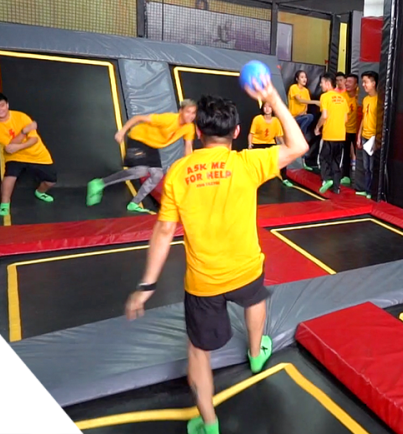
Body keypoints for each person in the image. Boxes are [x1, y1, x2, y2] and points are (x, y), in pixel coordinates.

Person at [124, 80, 308, 434]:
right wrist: (272, 97)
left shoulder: (179, 173)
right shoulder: (247, 162)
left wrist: (146, 286)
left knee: (198, 352)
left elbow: (163, 231)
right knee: (256, 298)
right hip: (246, 268)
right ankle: (256, 353)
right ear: (237, 132)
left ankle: (209, 424)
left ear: (197, 131)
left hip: (204, 282)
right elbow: (299, 145)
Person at [86, 99, 197, 213]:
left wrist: (188, 165)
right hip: (139, 138)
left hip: (153, 145)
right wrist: (122, 131)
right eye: (188, 112)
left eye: (193, 113)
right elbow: (138, 118)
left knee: (157, 175)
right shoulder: (167, 119)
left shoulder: (189, 127)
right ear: (180, 111)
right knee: (140, 171)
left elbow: (188, 146)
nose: (191, 116)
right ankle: (100, 183)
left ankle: (134, 203)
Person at [0, 91, 57, 217]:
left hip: (37, 154)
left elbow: (34, 140)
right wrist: (24, 131)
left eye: (2, 105)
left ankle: (40, 192)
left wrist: (17, 147)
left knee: (51, 181)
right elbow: (9, 146)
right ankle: (5, 204)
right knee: (10, 176)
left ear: (7, 105)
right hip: (15, 157)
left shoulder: (21, 116)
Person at [314, 72, 348, 194]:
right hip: (340, 136)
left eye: (322, 83)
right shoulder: (343, 99)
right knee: (336, 161)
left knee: (323, 158)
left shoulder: (325, 97)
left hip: (329, 135)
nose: (320, 85)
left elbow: (324, 116)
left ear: (328, 83)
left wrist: (317, 127)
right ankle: (336, 187)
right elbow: (346, 119)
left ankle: (327, 179)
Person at [248, 101, 293, 186]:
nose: (267, 109)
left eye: (269, 107)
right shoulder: (257, 119)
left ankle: (284, 178)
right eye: (265, 107)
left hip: (270, 143)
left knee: (282, 156)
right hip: (258, 143)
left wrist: (284, 145)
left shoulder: (276, 121)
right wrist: (250, 144)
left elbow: (279, 135)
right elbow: (251, 134)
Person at [288, 70, 320, 170]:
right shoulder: (293, 88)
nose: (304, 79)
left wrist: (304, 112)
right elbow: (300, 100)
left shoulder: (306, 91)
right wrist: (315, 102)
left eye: (305, 77)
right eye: (302, 77)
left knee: (309, 117)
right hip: (293, 118)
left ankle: (303, 161)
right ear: (297, 79)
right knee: (309, 117)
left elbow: (306, 105)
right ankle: (300, 135)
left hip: (302, 118)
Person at [356, 71, 379, 199]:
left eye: (366, 82)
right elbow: (364, 118)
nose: (364, 85)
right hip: (365, 136)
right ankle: (366, 189)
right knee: (365, 167)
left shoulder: (379, 100)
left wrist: (377, 139)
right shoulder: (365, 99)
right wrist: (359, 135)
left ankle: (371, 191)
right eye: (363, 82)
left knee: (371, 167)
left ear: (373, 83)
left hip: (373, 138)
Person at [341, 73, 360, 186]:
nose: (347, 84)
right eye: (346, 82)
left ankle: (359, 178)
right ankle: (345, 176)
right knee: (346, 153)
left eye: (350, 82)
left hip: (357, 130)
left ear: (356, 85)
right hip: (345, 130)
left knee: (359, 154)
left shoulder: (359, 95)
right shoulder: (342, 97)